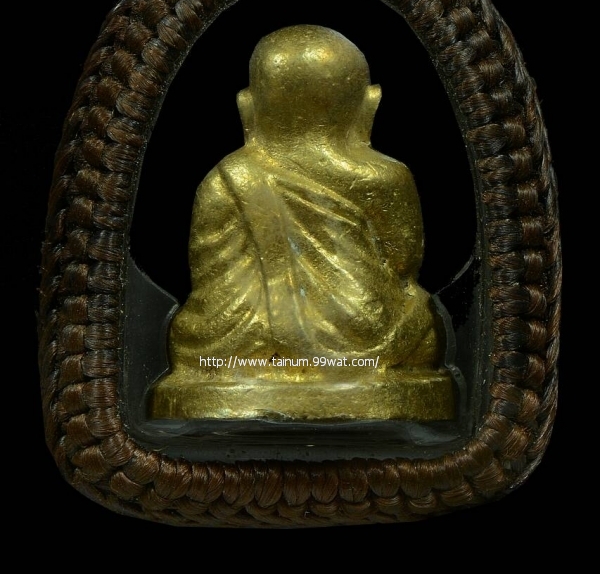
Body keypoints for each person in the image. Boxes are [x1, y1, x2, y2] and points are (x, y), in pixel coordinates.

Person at [151, 26, 454, 420]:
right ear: (368, 105)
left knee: (191, 339)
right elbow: (402, 264)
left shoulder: (223, 179)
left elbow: (206, 275)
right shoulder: (384, 178)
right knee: (420, 326)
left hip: (233, 347)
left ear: (247, 107)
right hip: (357, 339)